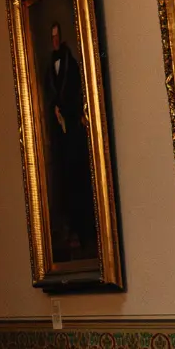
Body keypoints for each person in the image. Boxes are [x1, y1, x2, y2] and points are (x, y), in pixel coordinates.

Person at [43, 21, 99, 258]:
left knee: (77, 180)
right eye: (52, 37)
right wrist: (55, 111)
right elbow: (49, 93)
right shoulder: (50, 68)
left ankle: (82, 230)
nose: (55, 41)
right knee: (63, 181)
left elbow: (75, 94)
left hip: (73, 133)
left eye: (57, 36)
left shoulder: (71, 65)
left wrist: (66, 112)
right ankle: (69, 229)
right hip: (59, 136)